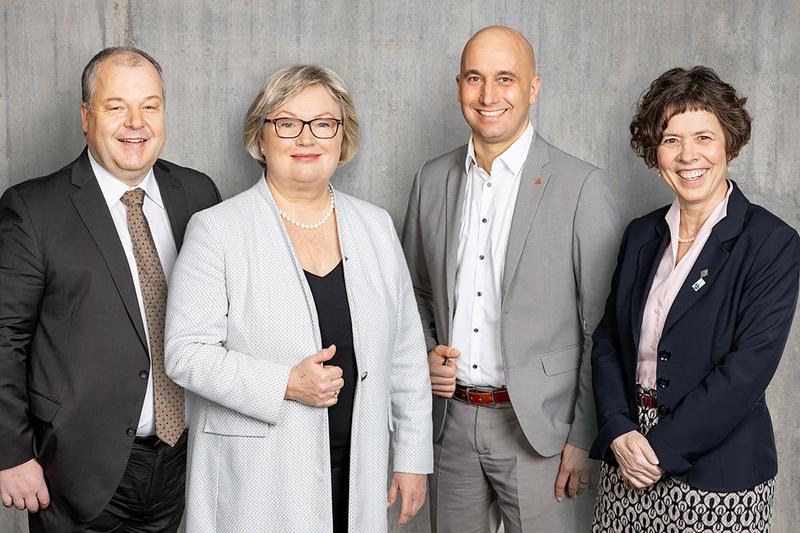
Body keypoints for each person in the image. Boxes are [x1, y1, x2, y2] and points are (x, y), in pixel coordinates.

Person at [164, 64, 433, 532]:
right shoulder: (217, 230)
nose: (306, 138)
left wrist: (412, 456)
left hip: (358, 466)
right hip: (260, 475)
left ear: (342, 137)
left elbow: (405, 355)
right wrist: (284, 384)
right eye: (287, 123)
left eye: (323, 123)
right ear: (260, 138)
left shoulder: (376, 226)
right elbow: (185, 354)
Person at [402, 25, 620, 533]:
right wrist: (425, 351)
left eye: (505, 79)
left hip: (541, 431)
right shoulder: (431, 180)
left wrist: (583, 436)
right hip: (450, 423)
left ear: (533, 88)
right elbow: (413, 292)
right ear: (459, 86)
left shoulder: (581, 187)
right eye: (474, 78)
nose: (488, 96)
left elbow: (603, 327)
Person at [0, 47, 220, 532]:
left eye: (150, 105)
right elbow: (4, 337)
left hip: (183, 461)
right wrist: (10, 452)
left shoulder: (198, 194)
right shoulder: (33, 209)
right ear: (86, 116)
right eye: (116, 106)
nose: (135, 123)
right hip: (77, 470)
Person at [590, 66, 800, 532]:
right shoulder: (641, 234)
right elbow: (609, 342)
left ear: (729, 140)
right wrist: (618, 429)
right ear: (654, 151)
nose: (688, 156)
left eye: (703, 137)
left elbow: (747, 371)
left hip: (717, 473)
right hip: (627, 461)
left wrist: (660, 452)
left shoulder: (771, 242)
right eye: (671, 140)